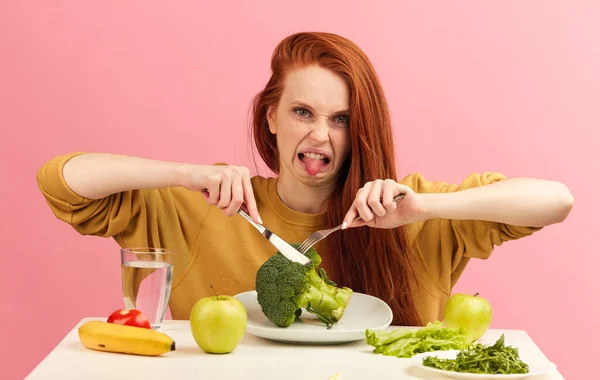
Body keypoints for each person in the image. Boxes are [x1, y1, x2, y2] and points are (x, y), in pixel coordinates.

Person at [36, 32, 574, 326]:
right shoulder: (201, 206)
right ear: (270, 116)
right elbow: (62, 181)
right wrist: (184, 172)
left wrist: (425, 211)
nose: (320, 136)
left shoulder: (414, 210)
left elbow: (556, 201)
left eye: (340, 119)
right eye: (302, 113)